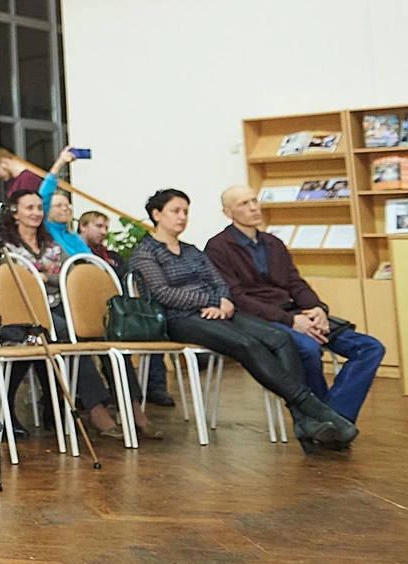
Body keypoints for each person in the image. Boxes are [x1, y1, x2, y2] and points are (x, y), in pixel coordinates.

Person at [130, 189, 358, 453]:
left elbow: (218, 281)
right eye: (175, 211)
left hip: (219, 311)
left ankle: (303, 420)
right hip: (179, 318)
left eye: (185, 211)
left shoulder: (191, 250)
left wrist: (222, 301)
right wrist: (209, 301)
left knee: (280, 338)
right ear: (157, 215)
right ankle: (313, 411)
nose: (182, 217)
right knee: (246, 344)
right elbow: (163, 294)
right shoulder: (146, 253)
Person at [206, 186, 383, 424]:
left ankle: (333, 417)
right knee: (308, 348)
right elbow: (237, 298)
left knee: (370, 347)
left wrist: (317, 309)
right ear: (227, 212)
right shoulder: (218, 247)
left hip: (293, 313)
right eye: (243, 204)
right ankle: (325, 418)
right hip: (260, 320)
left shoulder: (273, 243)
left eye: (254, 201)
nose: (253, 207)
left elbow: (294, 282)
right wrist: (291, 321)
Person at [3, 190, 155, 439]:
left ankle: (133, 406)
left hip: (62, 302)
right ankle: (97, 411)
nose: (36, 213)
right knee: (72, 336)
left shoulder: (51, 243)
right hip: (29, 310)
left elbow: (72, 273)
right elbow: (16, 281)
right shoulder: (6, 246)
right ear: (15, 213)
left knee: (105, 332)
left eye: (39, 208)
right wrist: (52, 278)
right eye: (29, 208)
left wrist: (47, 277)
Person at [76, 209, 172, 407]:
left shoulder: (113, 257)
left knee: (150, 326)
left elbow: (128, 283)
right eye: (98, 226)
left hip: (118, 309)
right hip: (87, 311)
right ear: (82, 227)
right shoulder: (75, 254)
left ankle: (154, 388)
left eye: (106, 227)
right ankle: (105, 397)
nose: (104, 232)